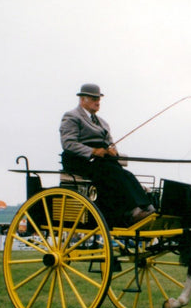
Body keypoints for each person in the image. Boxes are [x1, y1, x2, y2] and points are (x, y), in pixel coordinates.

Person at [59, 83, 155, 227]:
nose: (97, 102)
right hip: (80, 160)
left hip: (102, 161)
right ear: (82, 99)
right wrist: (92, 151)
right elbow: (68, 143)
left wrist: (112, 151)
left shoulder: (103, 123)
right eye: (94, 99)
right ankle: (132, 212)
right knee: (112, 173)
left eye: (98, 99)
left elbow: (110, 143)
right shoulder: (72, 116)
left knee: (126, 175)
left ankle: (146, 207)